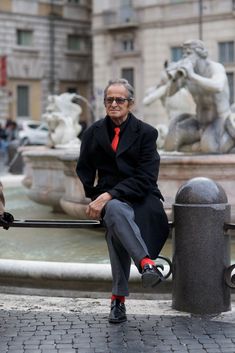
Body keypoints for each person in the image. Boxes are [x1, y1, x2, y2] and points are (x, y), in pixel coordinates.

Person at [76, 78, 169, 323]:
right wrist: (94, 195)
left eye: (120, 100)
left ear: (131, 104)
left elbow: (147, 177)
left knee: (115, 227)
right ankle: (147, 265)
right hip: (111, 201)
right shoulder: (93, 132)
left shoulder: (147, 133)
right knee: (115, 210)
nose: (114, 104)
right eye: (109, 99)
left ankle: (118, 300)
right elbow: (83, 168)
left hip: (142, 197)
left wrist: (106, 196)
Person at [164, 39, 235, 153]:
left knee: (209, 148)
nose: (185, 57)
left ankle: (211, 144)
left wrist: (192, 76)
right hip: (199, 121)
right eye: (184, 54)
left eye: (189, 53)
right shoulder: (188, 73)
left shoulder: (214, 67)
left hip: (220, 121)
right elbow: (170, 93)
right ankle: (198, 145)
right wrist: (174, 78)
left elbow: (218, 86)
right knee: (170, 143)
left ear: (200, 54)